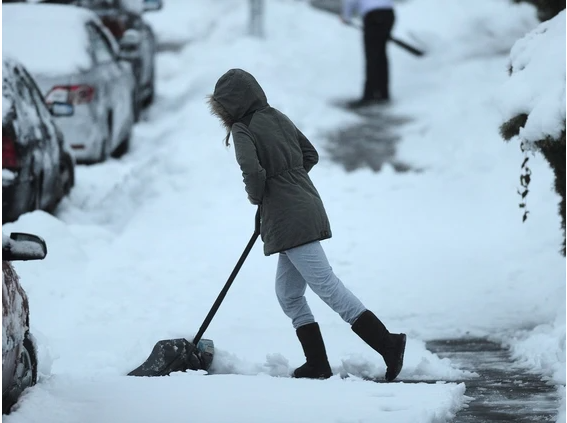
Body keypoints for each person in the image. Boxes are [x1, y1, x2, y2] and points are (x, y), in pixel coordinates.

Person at [208, 68, 406, 381]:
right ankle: (317, 363)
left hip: (289, 218)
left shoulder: (242, 128)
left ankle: (388, 343)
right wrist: (290, 182)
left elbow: (253, 173)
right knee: (288, 293)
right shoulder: (277, 116)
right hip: (303, 207)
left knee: (326, 285)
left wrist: (261, 197)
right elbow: (309, 154)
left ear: (228, 105)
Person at [341, 0, 396, 108]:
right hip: (389, 13)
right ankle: (383, 94)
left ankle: (369, 95)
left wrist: (346, 17)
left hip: (373, 16)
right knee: (381, 54)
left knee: (372, 56)